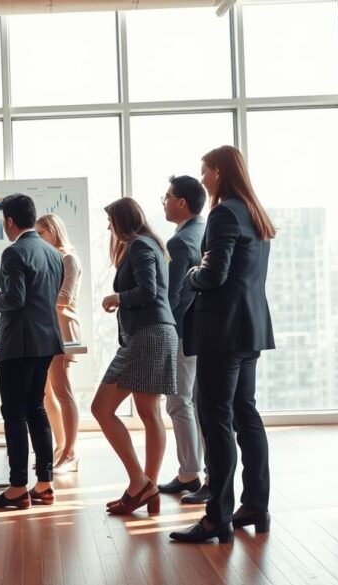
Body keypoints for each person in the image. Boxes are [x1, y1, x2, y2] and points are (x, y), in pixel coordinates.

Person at [170, 145, 276, 544]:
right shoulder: (254, 213)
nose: (202, 179)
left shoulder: (225, 212)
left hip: (222, 332)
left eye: (205, 171)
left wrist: (192, 273)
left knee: (215, 421)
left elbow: (214, 275)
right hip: (250, 330)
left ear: (219, 172)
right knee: (245, 414)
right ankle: (255, 505)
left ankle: (217, 518)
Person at [0, 194, 64, 510]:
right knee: (36, 408)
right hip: (47, 342)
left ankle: (16, 487)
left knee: (13, 412)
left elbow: (15, 299)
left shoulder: (13, 253)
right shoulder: (53, 253)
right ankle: (44, 484)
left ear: (9, 221)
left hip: (19, 344)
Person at [93, 197, 176, 516]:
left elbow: (148, 291)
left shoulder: (140, 246)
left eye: (111, 221)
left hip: (147, 335)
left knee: (101, 408)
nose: (109, 227)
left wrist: (117, 297)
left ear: (122, 220)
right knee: (149, 411)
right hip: (156, 332)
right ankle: (146, 488)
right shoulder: (152, 243)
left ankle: (139, 483)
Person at [157, 175, 210, 504]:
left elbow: (173, 294)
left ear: (181, 203)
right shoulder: (204, 230)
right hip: (203, 330)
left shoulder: (178, 242)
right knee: (194, 402)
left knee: (178, 402)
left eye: (166, 197)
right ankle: (197, 472)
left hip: (182, 331)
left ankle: (190, 472)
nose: (163, 202)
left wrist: (166, 331)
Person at [34, 214, 82, 474]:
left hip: (63, 330)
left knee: (63, 392)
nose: (37, 238)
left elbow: (65, 297)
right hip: (45, 330)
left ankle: (70, 452)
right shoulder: (48, 258)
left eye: (41, 233)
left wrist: (33, 297)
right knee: (46, 394)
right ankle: (60, 448)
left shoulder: (68, 258)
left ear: (53, 231)